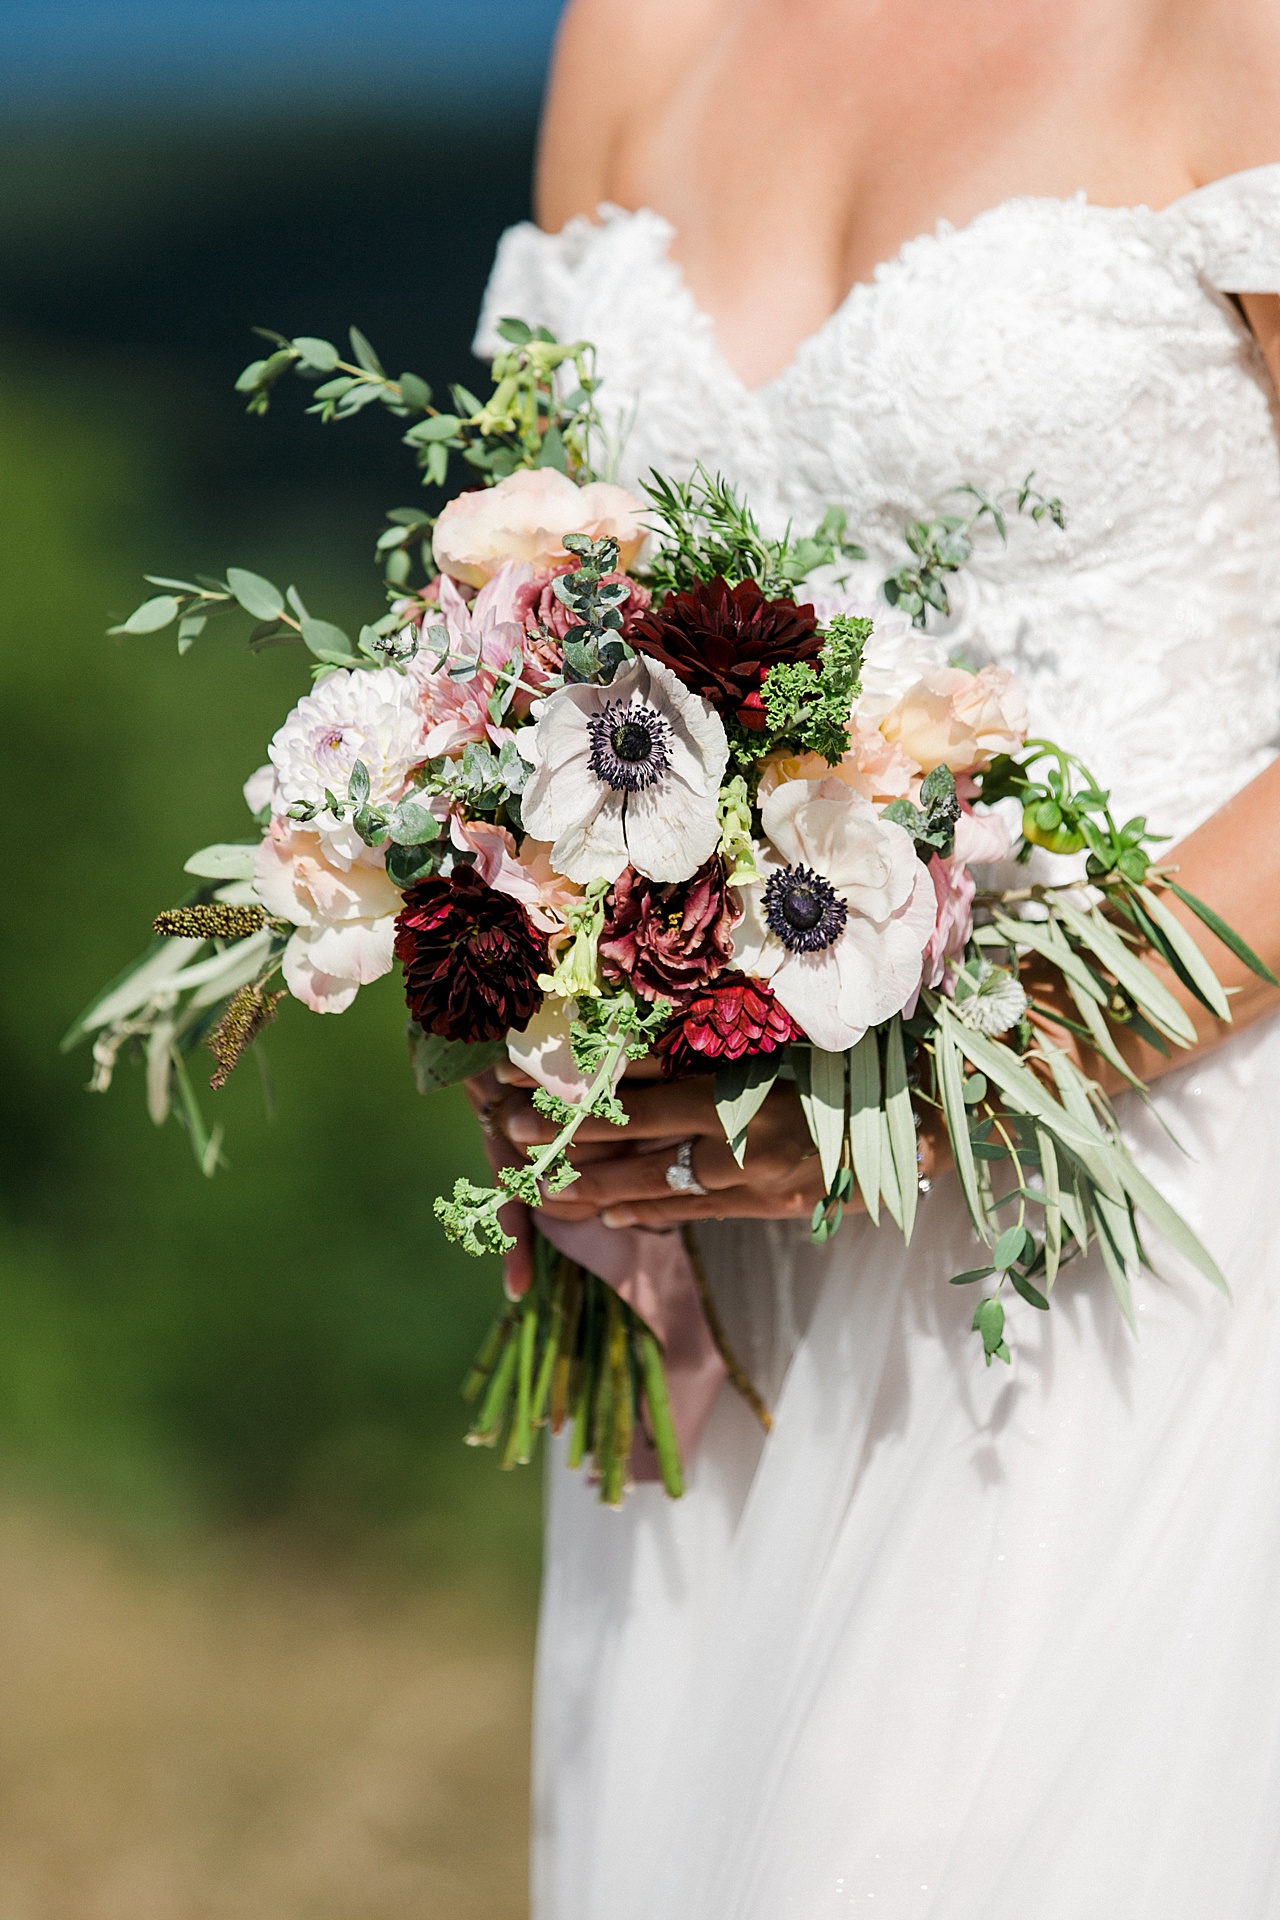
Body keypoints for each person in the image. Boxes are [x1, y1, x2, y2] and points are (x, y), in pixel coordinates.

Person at [469, 2, 1280, 1912]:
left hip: (1140, 1212)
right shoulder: (642, 30)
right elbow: (557, 619)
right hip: (728, 1267)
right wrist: (521, 964)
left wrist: (966, 1071)